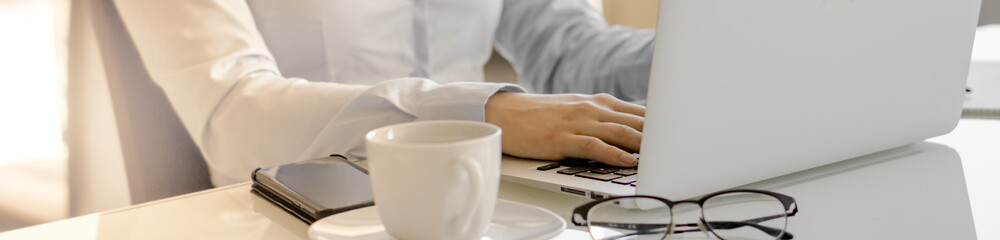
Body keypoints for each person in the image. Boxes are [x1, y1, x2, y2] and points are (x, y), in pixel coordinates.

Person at [113, 0, 654, 186]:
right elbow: (231, 108)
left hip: (500, 197)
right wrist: (482, 112)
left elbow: (565, 46)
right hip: (300, 210)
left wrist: (686, 64)